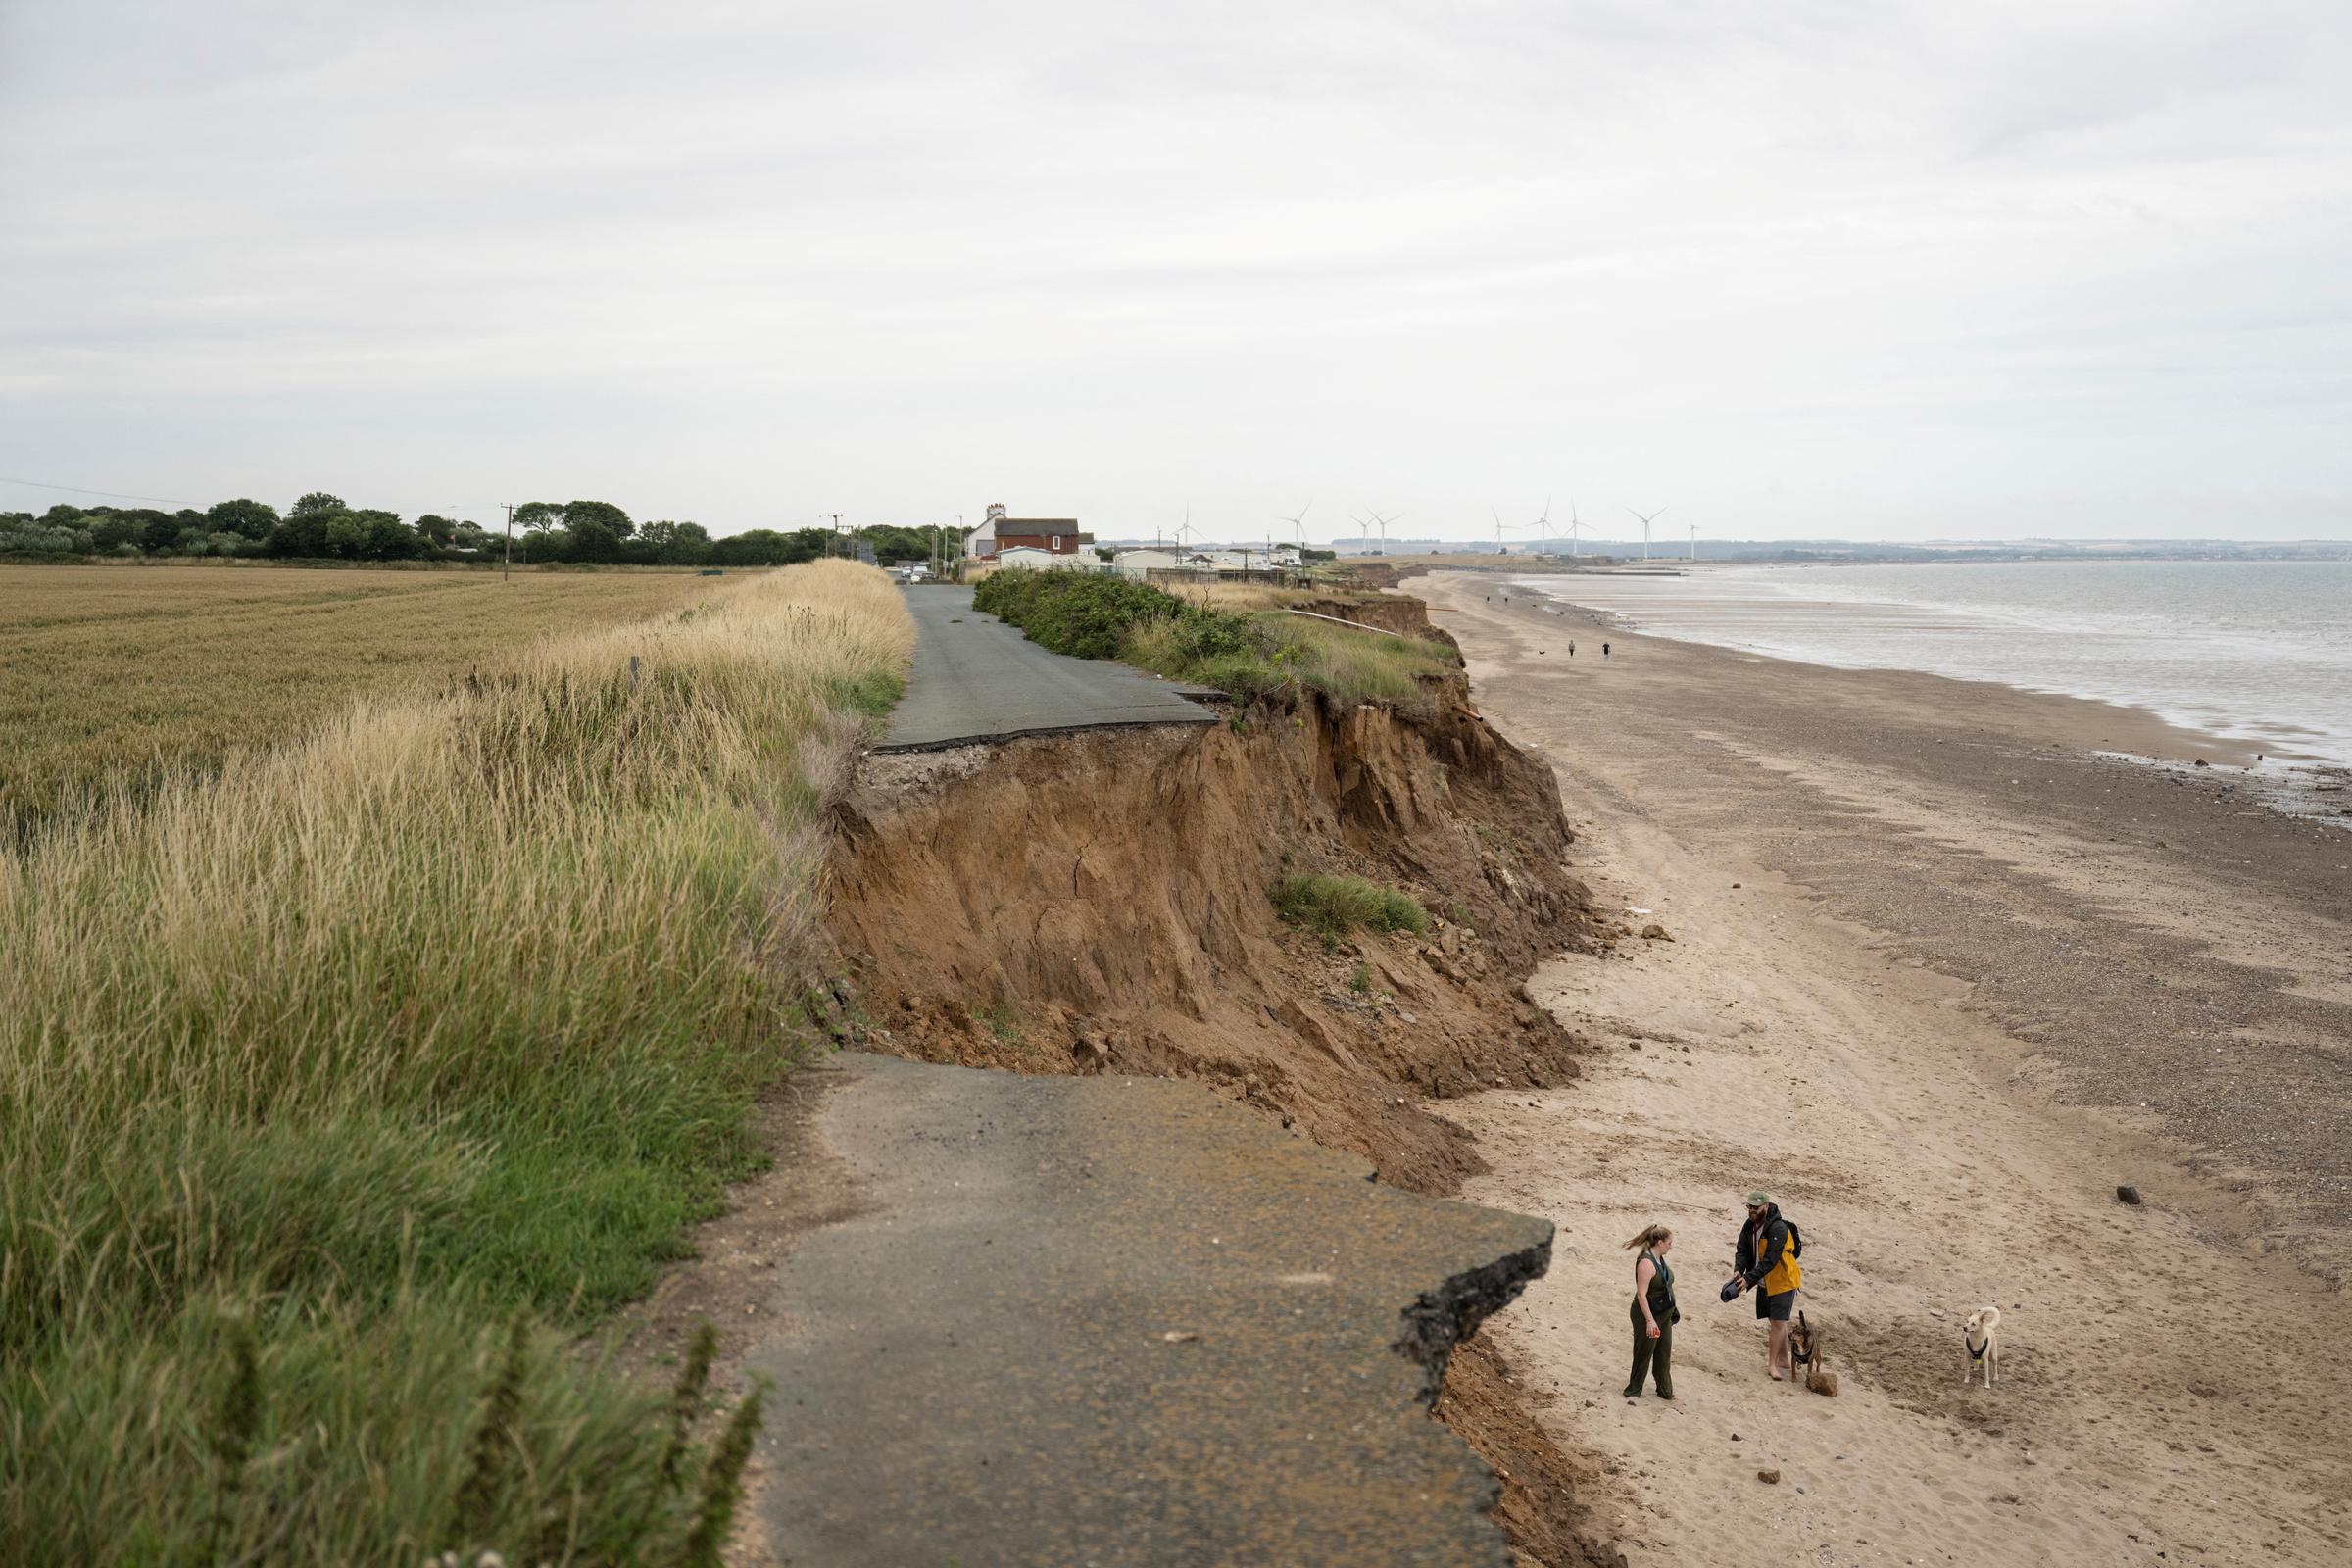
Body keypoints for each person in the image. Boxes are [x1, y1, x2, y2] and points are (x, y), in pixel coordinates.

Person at [1728, 1190, 1802, 1379]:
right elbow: (1742, 1250)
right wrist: (1739, 1270)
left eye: (1756, 1207)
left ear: (1766, 1207)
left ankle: (1772, 1365)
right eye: (1750, 1206)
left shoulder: (1777, 1228)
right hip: (1765, 1281)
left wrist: (1749, 1279)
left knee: (1777, 1322)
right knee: (1775, 1320)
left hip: (1783, 1281)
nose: (1752, 1210)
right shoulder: (1749, 1224)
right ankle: (1784, 1360)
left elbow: (1771, 1260)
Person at [1624, 1223, 1678, 1398]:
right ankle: (1633, 1390)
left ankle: (1665, 1391)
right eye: (1669, 1242)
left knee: (1663, 1353)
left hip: (1664, 1315)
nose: (1671, 1245)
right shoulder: (1646, 1263)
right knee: (1644, 1353)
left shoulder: (1660, 1259)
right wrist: (1649, 1320)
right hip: (1648, 1315)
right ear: (1660, 1242)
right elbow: (1641, 1294)